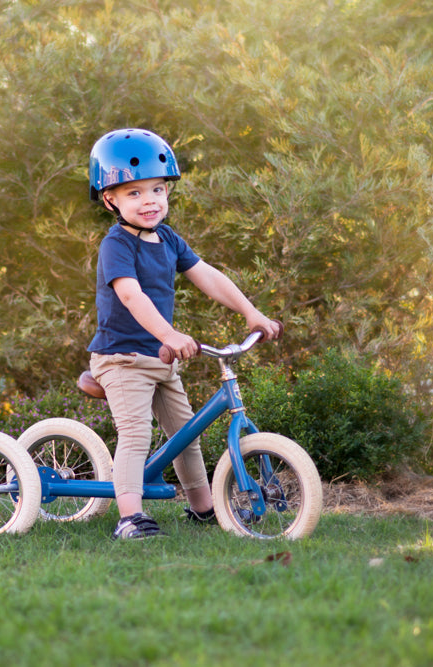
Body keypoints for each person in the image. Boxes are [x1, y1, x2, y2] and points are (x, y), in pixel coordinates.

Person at [87, 128, 282, 540]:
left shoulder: (169, 238)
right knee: (136, 434)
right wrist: (170, 334)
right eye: (134, 193)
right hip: (122, 358)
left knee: (186, 436)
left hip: (161, 360)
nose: (150, 201)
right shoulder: (116, 245)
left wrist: (251, 312)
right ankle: (130, 518)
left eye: (158, 189)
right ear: (110, 200)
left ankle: (204, 510)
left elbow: (207, 276)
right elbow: (131, 295)